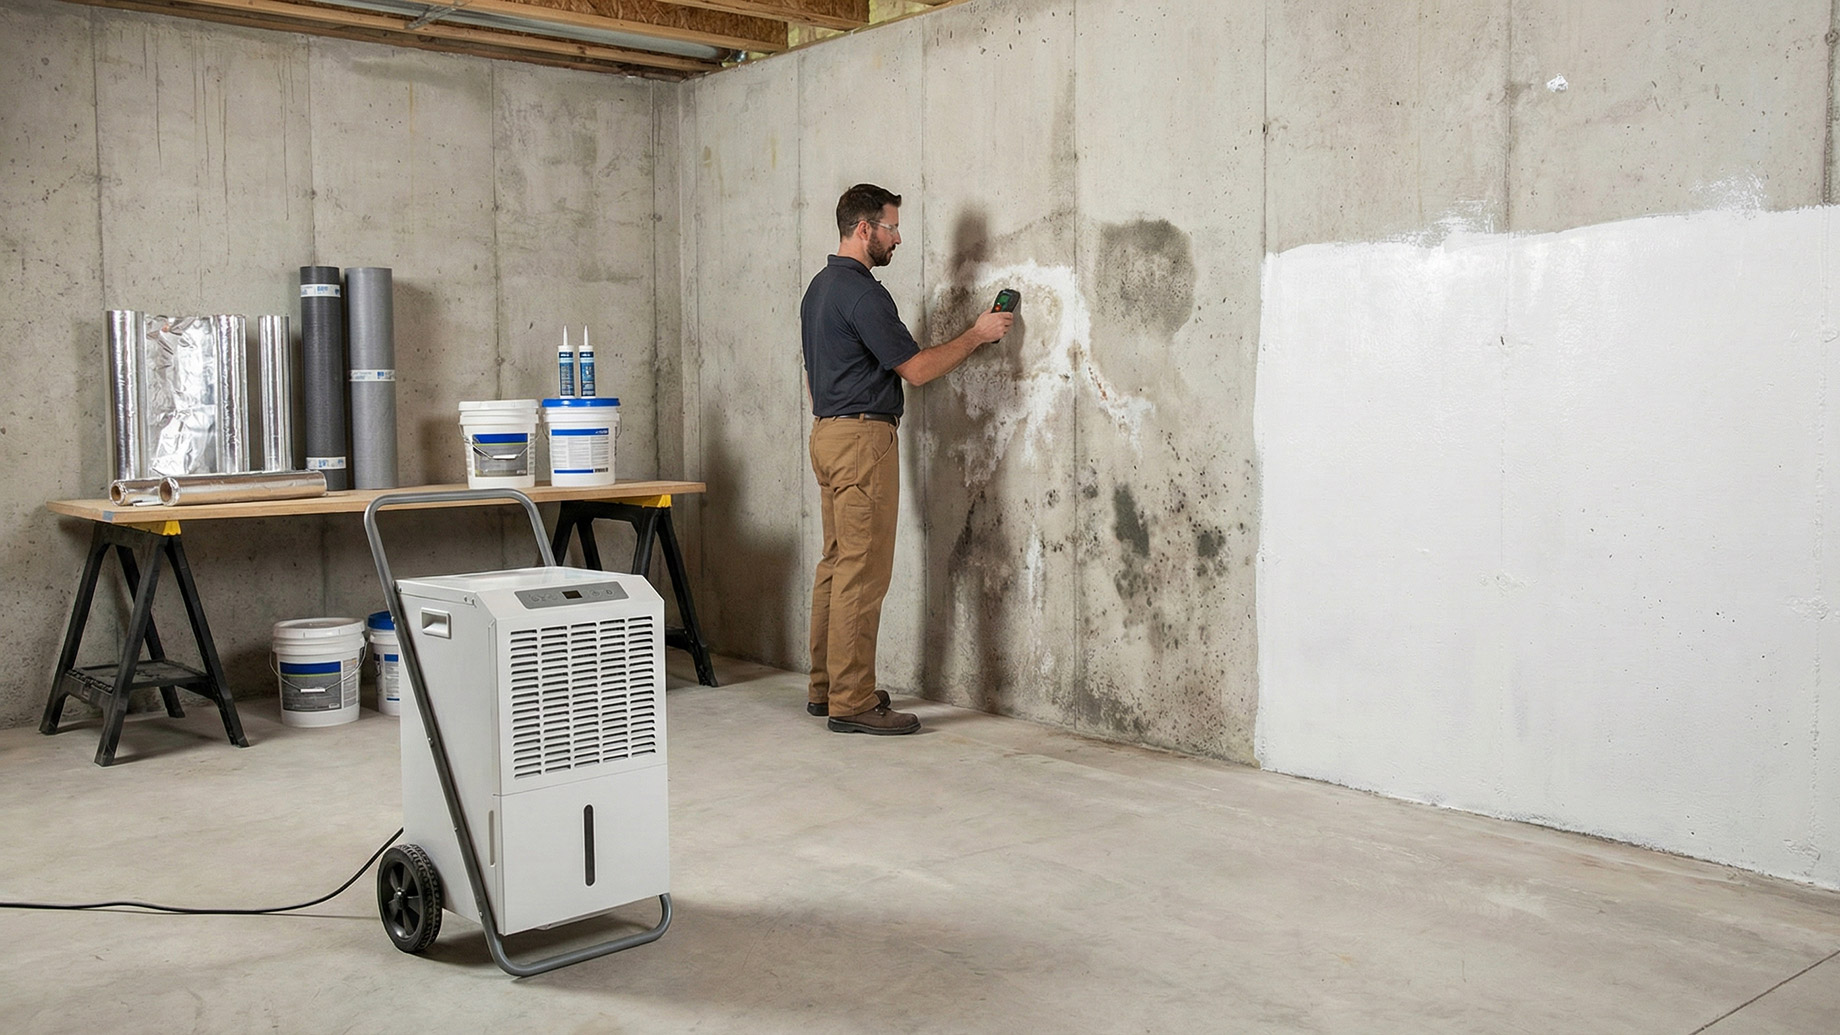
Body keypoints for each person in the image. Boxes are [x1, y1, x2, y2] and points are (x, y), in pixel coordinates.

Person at [801, 183, 1015, 735]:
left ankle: (828, 687)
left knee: (835, 565)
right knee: (862, 573)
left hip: (827, 433)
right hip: (861, 442)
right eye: (891, 227)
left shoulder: (818, 290)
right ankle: (852, 701)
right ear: (864, 229)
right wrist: (977, 334)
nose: (898, 237)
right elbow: (916, 370)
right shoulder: (863, 294)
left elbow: (814, 373)